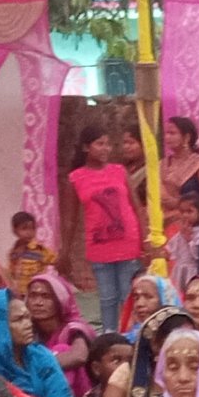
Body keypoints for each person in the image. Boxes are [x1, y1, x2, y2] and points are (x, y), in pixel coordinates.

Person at [65, 126, 146, 332]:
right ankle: (109, 337)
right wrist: (64, 252)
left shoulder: (119, 171)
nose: (106, 149)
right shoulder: (76, 178)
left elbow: (136, 207)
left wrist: (145, 239)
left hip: (128, 243)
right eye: (100, 144)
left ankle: (133, 335)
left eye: (108, 144)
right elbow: (71, 220)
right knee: (107, 298)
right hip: (99, 248)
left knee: (128, 295)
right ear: (86, 147)